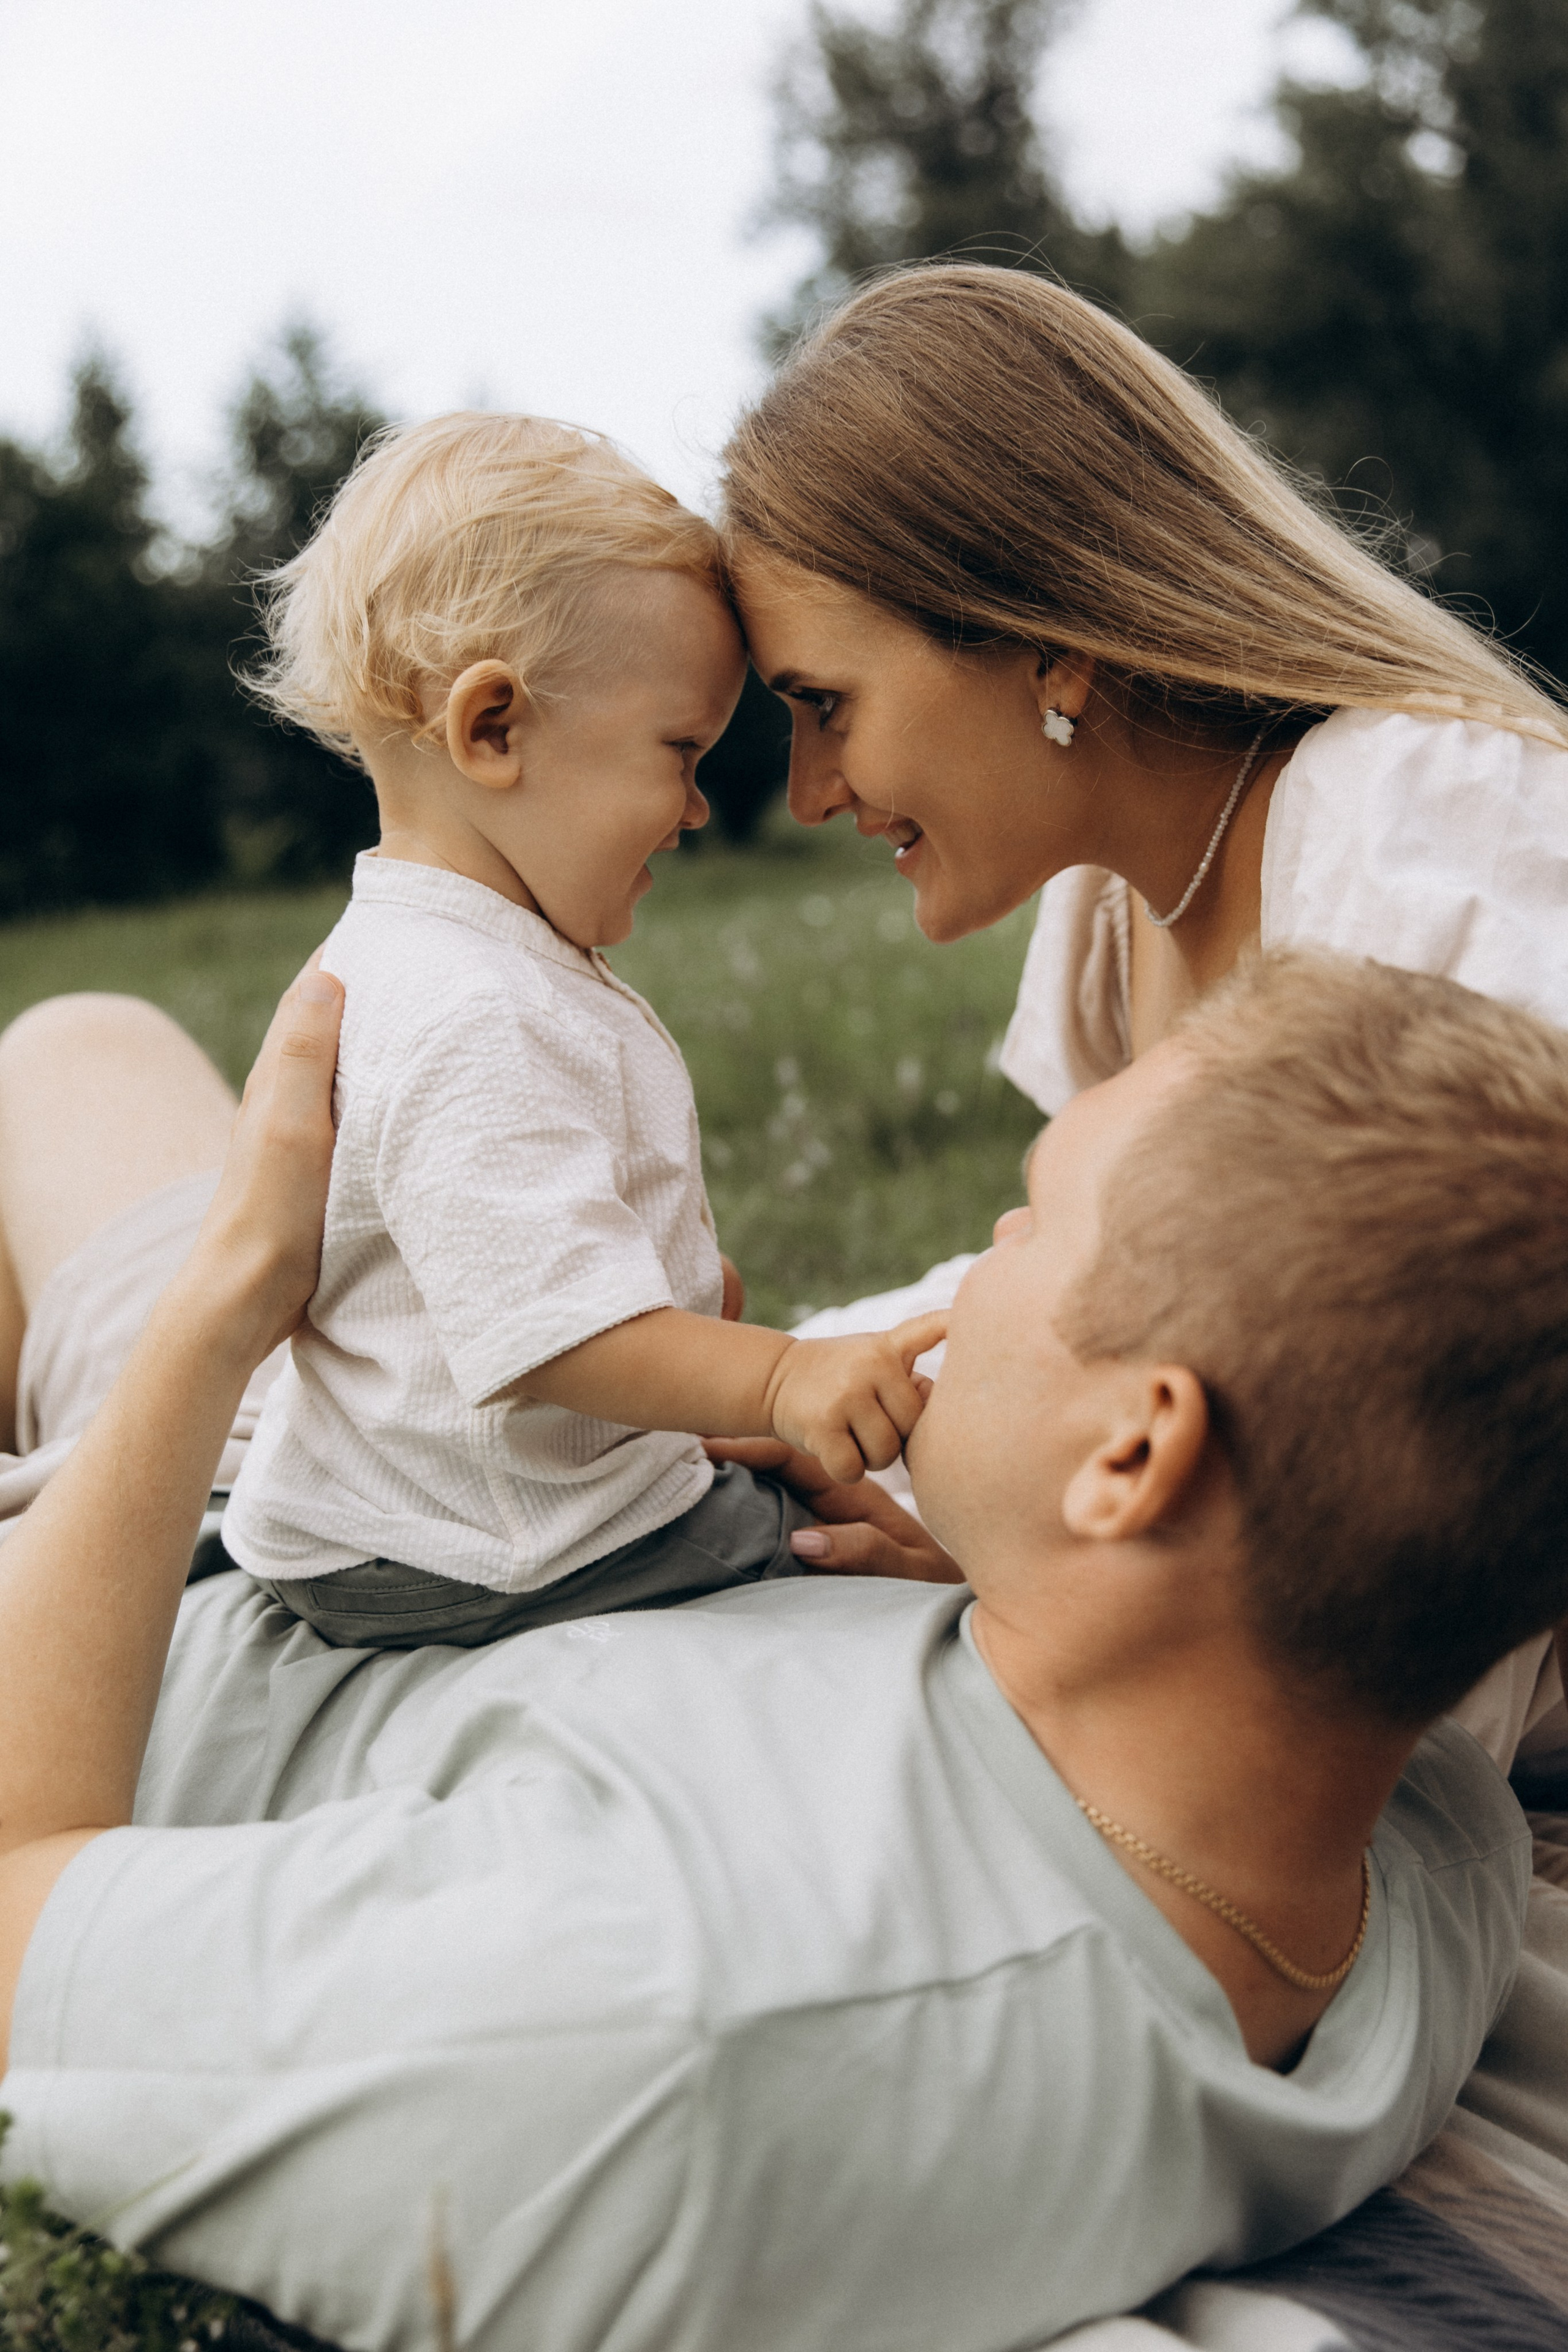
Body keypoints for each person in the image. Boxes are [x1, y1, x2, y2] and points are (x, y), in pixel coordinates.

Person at [1, 946, 1564, 2351]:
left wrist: (223, 1310)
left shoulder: (657, 2024)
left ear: (1134, 1456)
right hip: (380, 1509)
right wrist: (1003, 1580)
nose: (988, 1244)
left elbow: (21, 1921)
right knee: (80, 1042)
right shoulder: (1413, 1821)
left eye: (1027, 1219)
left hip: (115, 1627)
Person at [722, 260, 1568, 1773]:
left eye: (824, 703)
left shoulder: (1422, 827)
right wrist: (738, 1387)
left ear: (1043, 636)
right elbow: (1107, 1315)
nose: (808, 792)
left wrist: (1017, 1582)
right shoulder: (1115, 907)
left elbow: (1471, 1460)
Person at [211, 410, 942, 1649]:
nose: (700, 807)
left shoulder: (458, 955)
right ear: (492, 729)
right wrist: (778, 1377)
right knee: (838, 1553)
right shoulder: (467, 1004)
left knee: (797, 1485)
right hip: (485, 1545)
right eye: (679, 752)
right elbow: (553, 1335)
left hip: (440, 1503)